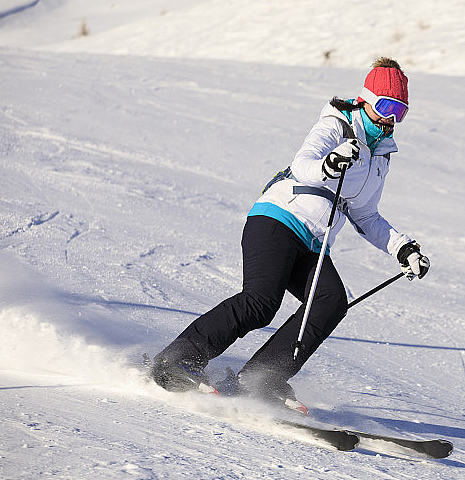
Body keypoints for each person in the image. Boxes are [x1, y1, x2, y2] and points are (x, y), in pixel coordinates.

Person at [151, 57, 430, 411]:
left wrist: (402, 248)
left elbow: (365, 214)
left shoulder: (380, 157)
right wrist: (329, 164)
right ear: (367, 100)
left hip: (313, 242)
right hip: (278, 220)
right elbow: (303, 164)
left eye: (400, 112)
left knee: (330, 301)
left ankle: (261, 378)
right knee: (261, 302)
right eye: (387, 107)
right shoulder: (336, 125)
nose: (391, 120)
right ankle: (177, 360)